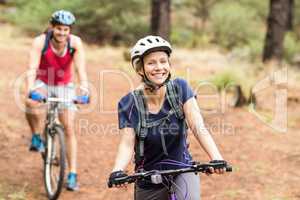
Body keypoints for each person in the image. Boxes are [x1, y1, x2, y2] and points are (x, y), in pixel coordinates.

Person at [108, 35, 229, 200]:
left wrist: (216, 157)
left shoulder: (181, 88)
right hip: (148, 178)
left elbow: (197, 126)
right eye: (151, 63)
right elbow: (127, 143)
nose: (159, 67)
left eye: (163, 61)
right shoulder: (129, 103)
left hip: (182, 170)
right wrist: (118, 170)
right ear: (140, 69)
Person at [25, 10, 89, 191]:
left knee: (68, 126)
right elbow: (31, 67)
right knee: (30, 103)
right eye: (59, 28)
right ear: (52, 27)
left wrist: (84, 88)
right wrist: (30, 89)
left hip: (64, 85)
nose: (62, 33)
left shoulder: (75, 43)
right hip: (42, 81)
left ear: (70, 30)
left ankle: (72, 174)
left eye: (66, 29)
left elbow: (80, 70)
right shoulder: (40, 42)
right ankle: (37, 136)